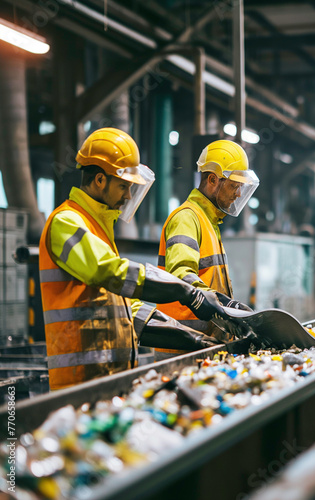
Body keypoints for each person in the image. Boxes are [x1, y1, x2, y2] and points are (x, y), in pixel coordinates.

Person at [39, 128, 231, 390]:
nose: (128, 196)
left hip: (106, 378)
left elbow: (127, 309)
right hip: (78, 381)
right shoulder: (66, 223)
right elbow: (112, 272)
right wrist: (187, 291)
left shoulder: (97, 228)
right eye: (123, 186)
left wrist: (192, 339)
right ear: (99, 180)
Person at [156, 140, 259, 357]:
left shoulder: (208, 221)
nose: (239, 194)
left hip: (202, 345)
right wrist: (224, 304)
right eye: (234, 185)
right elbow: (181, 275)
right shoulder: (187, 218)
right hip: (182, 348)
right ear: (213, 179)